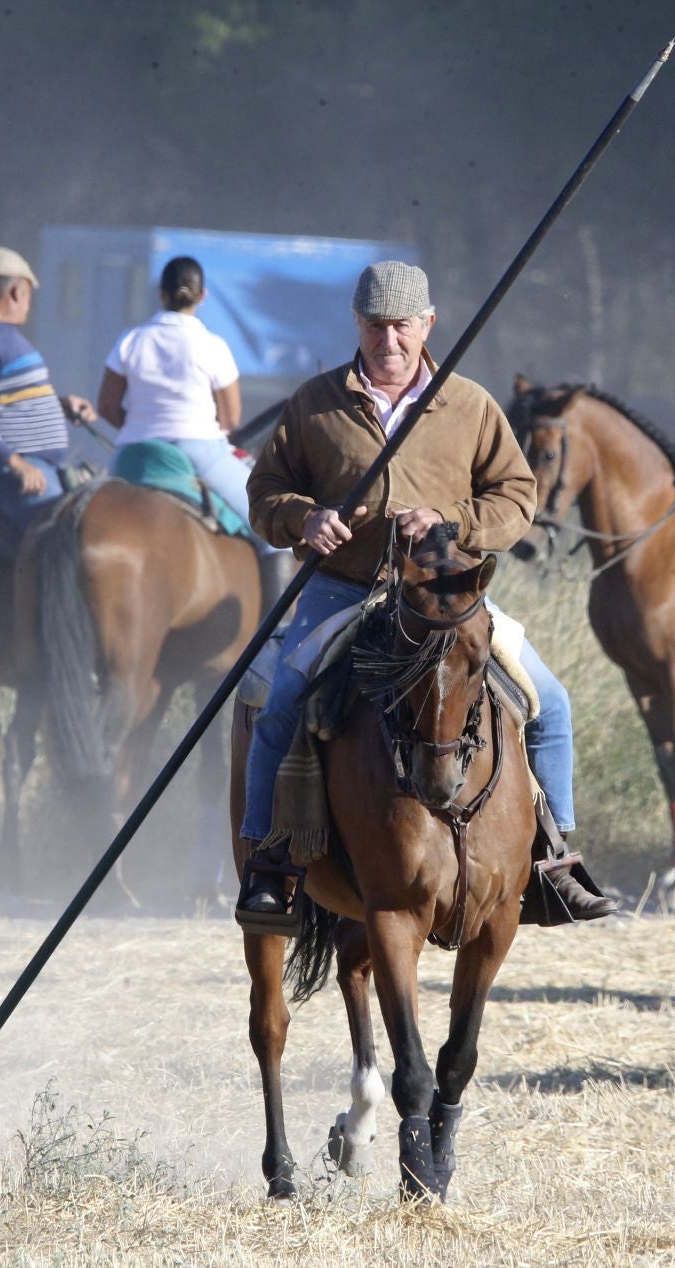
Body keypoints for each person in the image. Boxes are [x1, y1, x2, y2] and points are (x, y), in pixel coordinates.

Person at [236, 260, 612, 928]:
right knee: (281, 704)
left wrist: (453, 522)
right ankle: (269, 861)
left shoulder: (469, 404)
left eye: (402, 326)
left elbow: (517, 497)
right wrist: (306, 518)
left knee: (550, 703)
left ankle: (553, 860)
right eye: (376, 326)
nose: (389, 340)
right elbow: (265, 492)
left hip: (444, 597)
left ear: (428, 324)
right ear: (357, 323)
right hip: (343, 591)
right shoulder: (314, 403)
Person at [96, 256, 295, 598]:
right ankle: (279, 627)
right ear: (202, 295)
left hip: (134, 453)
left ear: (161, 293)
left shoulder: (131, 340)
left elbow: (107, 407)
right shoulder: (212, 345)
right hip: (198, 450)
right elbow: (230, 418)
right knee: (275, 528)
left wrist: (142, 427)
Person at [0, 247, 96, 534]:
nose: (29, 304)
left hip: (38, 466)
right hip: (6, 472)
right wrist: (16, 464)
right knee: (59, 535)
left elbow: (7, 399)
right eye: (29, 295)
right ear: (16, 292)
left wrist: (60, 405)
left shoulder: (0, 336)